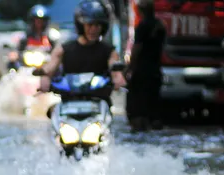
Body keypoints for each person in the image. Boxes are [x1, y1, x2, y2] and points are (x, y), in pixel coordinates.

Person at [38, 0, 125, 105]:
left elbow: (115, 70)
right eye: (90, 24)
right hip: (69, 103)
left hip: (99, 104)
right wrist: (45, 77)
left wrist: (118, 79)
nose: (94, 29)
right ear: (81, 25)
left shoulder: (109, 51)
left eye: (98, 25)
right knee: (52, 112)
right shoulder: (63, 49)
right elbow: (50, 68)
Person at [125, 0, 165, 132]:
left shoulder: (142, 26)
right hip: (155, 68)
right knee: (153, 98)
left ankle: (139, 124)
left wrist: (129, 67)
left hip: (142, 69)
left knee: (137, 100)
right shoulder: (160, 25)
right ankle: (153, 122)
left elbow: (137, 49)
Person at [7, 5, 55, 70]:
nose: (39, 23)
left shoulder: (51, 37)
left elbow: (56, 53)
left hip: (45, 69)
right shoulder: (24, 37)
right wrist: (14, 55)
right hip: (25, 69)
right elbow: (17, 51)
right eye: (37, 20)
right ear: (32, 20)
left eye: (42, 20)